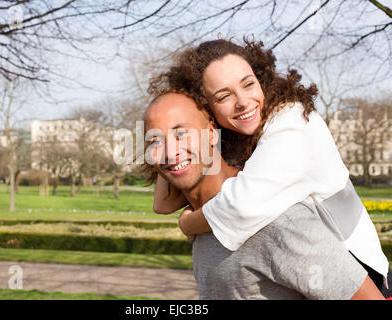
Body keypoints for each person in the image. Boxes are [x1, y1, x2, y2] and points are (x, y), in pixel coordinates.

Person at [149, 38, 391, 294]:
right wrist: (177, 124)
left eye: (248, 84)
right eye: (224, 96)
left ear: (261, 80)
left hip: (357, 272)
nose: (242, 101)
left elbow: (241, 205)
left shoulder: (293, 121)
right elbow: (163, 203)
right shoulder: (238, 135)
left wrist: (187, 223)